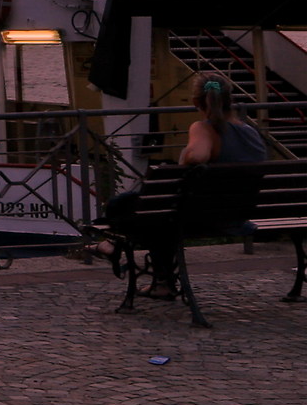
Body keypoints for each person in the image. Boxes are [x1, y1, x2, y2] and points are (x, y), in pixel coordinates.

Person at [94, 75, 266, 281]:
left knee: (123, 204)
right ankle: (113, 246)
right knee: (154, 209)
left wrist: (186, 155)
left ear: (196, 102)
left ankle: (116, 249)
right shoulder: (251, 132)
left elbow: (198, 156)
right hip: (237, 215)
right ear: (230, 99)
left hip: (204, 218)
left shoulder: (203, 128)